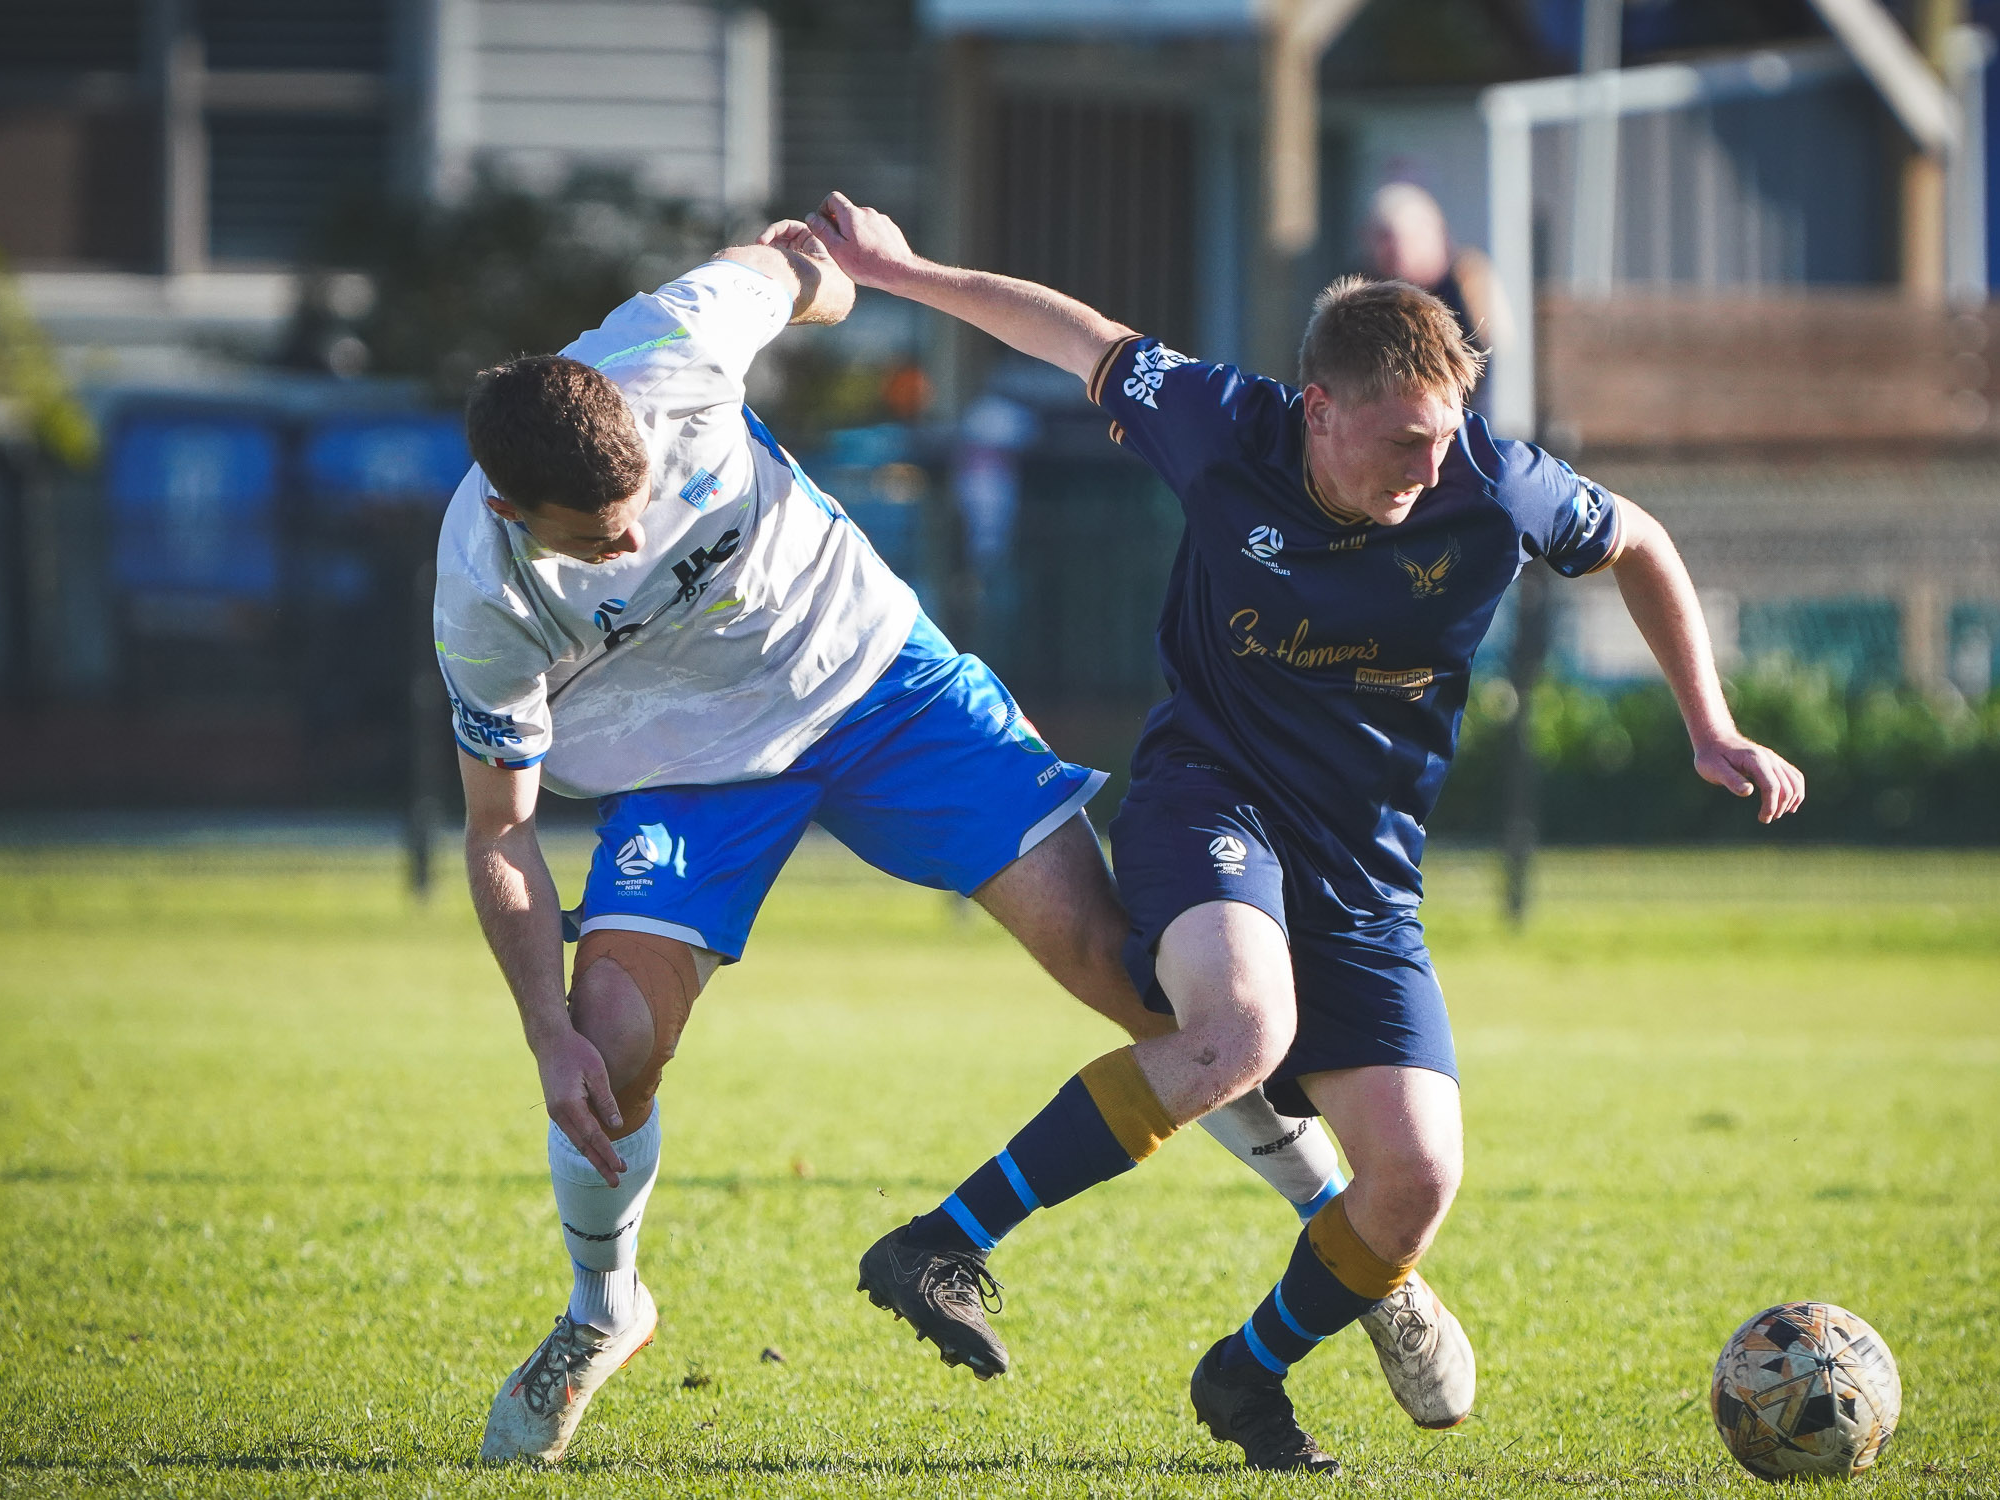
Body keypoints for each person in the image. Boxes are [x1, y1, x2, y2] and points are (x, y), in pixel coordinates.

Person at [810, 191, 1805, 1473]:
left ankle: (1246, 1374)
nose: (1431, 471)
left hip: (1365, 868)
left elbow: (1643, 544)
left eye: (1444, 440)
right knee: (1240, 1030)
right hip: (1207, 798)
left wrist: (1707, 725)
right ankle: (946, 1240)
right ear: (1318, 410)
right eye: (1402, 443)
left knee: (1414, 1180)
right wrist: (895, 274)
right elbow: (1073, 335)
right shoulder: (1225, 426)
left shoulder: (1492, 483)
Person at [435, 218, 1443, 1465]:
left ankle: (1364, 1255)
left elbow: (802, 270)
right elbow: (499, 832)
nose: (629, 545)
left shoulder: (675, 342)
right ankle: (602, 1313)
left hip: (872, 677)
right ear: (504, 506)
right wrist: (544, 1035)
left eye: (636, 507)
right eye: (593, 540)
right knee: (614, 1045)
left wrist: (850, 270)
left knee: (1129, 969)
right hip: (682, 764)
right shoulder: (481, 593)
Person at [1364, 181, 1512, 416]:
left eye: (1397, 238)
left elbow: (1494, 360)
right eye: (1381, 238)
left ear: (1432, 234)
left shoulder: (1470, 280)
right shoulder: (1366, 292)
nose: (1389, 250)